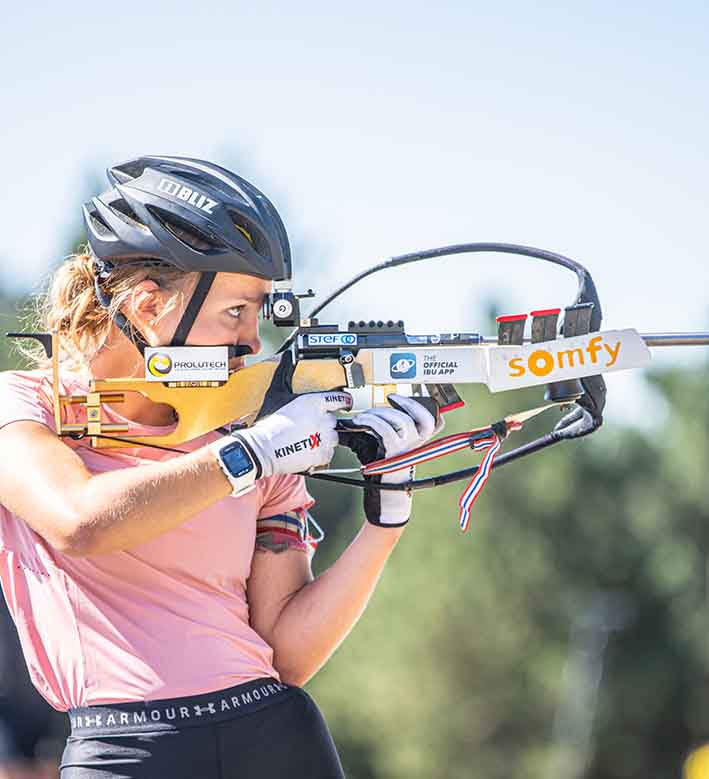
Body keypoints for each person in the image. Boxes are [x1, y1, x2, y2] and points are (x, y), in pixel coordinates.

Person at [0, 156, 440, 778]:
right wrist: (254, 453)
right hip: (124, 749)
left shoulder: (250, 426)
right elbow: (80, 521)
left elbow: (285, 654)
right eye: (236, 312)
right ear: (150, 306)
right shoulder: (23, 405)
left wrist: (385, 516)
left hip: (275, 734)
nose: (252, 343)